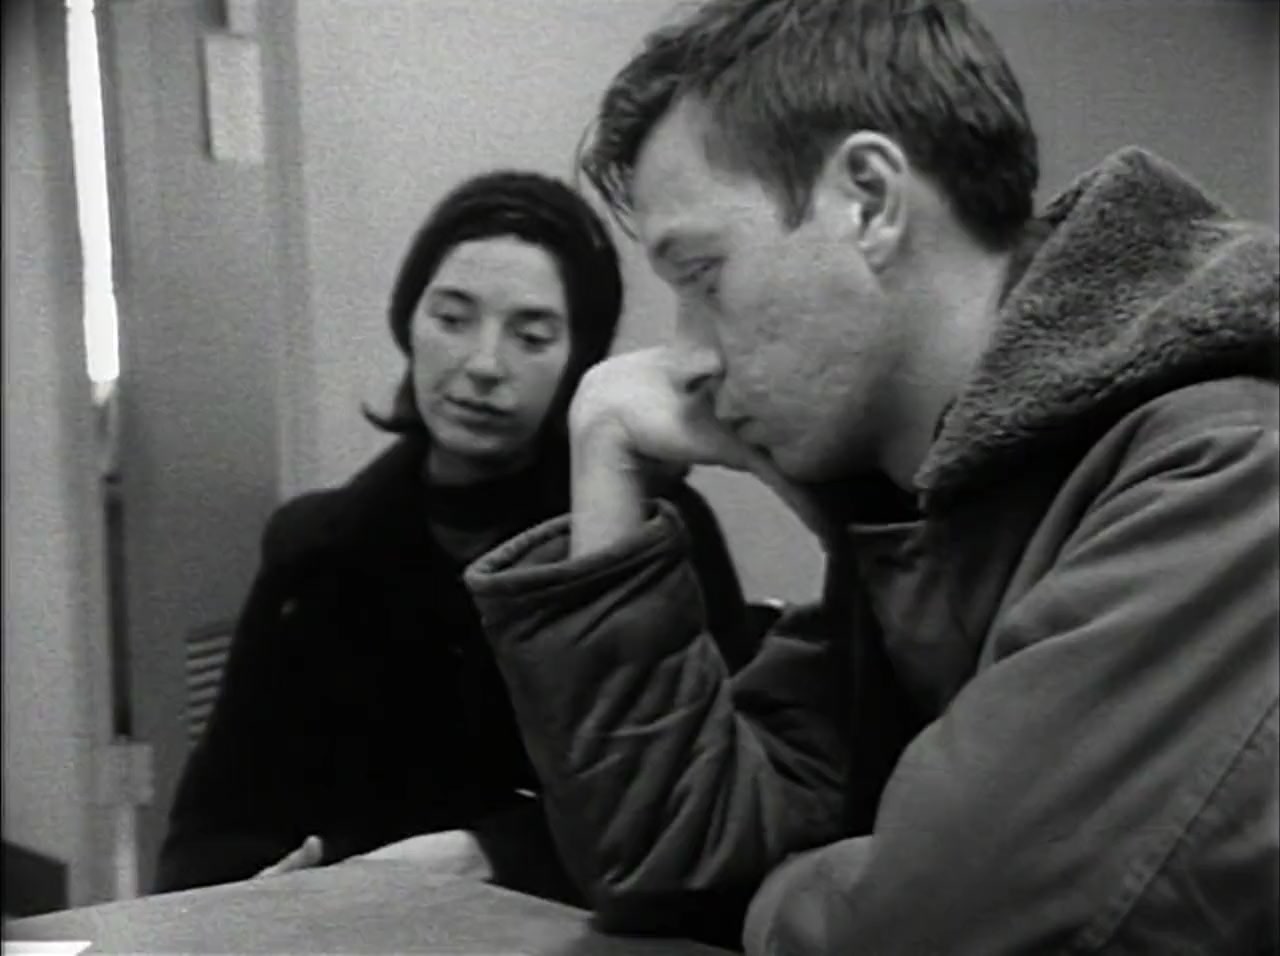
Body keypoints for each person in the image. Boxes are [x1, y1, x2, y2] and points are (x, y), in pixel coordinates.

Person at [462, 2, 1280, 953]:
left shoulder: (1229, 475)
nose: (685, 359)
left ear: (869, 199)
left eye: (704, 276)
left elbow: (918, 929)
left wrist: (784, 893)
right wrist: (604, 460)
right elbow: (677, 868)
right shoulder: (938, 508)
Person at [155, 170, 752, 901]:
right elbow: (211, 827)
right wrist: (265, 893)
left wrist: (493, 853)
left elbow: (709, 813)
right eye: (452, 318)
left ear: (579, 359)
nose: (483, 365)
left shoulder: (648, 535)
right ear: (408, 323)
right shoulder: (314, 548)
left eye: (531, 336)